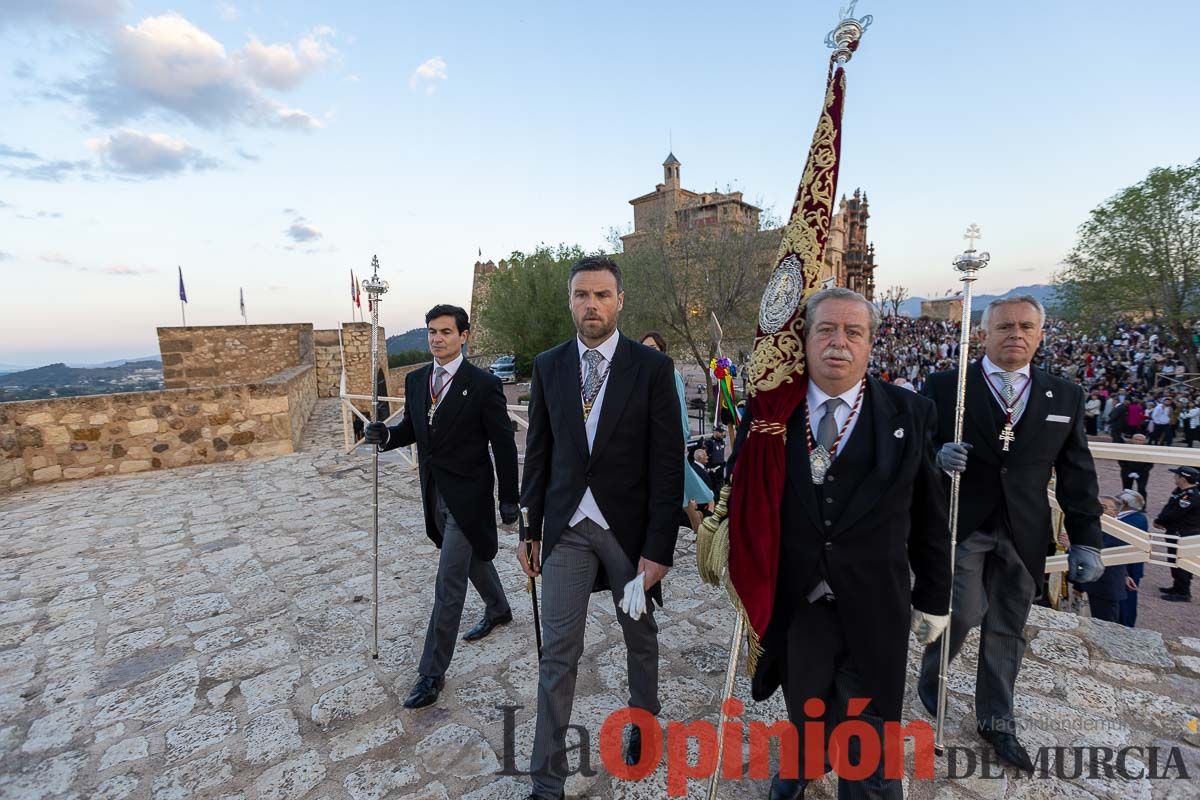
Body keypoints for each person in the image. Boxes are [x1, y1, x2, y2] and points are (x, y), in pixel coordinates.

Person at [731, 288, 950, 800]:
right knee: (806, 705)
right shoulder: (768, 415)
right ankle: (803, 762)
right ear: (804, 339)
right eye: (825, 329)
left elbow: (929, 516)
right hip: (799, 603)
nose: (839, 343)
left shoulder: (909, 413)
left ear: (871, 344)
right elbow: (742, 494)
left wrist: (935, 597)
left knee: (869, 744)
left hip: (877, 604)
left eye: (854, 332)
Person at [519, 257, 683, 800]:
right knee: (558, 651)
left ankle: (644, 719)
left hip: (628, 533)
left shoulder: (652, 369)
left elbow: (666, 464)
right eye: (582, 295)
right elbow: (538, 452)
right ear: (570, 300)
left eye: (602, 295)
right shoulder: (549, 366)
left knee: (639, 635)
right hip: (566, 525)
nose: (592, 304)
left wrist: (660, 546)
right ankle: (547, 779)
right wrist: (528, 526)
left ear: (619, 301)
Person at [919, 296, 1104, 772]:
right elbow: (914, 450)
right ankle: (933, 671)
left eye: (1026, 326)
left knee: (1008, 625)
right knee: (962, 609)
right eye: (1004, 326)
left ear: (1040, 334)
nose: (1015, 334)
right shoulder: (946, 386)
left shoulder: (1065, 396)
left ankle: (997, 717)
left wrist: (1086, 537)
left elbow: (1076, 471)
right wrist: (937, 457)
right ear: (984, 332)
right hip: (964, 523)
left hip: (1025, 530)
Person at [363, 304, 519, 709]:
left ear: (463, 336)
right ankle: (499, 608)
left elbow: (503, 445)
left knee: (447, 584)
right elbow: (414, 431)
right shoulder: (417, 381)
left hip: (469, 499)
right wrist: (385, 436)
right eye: (432, 331)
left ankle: (431, 673)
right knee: (469, 563)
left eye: (446, 332)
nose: (437, 338)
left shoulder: (482, 384)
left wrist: (509, 499)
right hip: (434, 496)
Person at [641, 330, 714, 532]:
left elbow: (680, 409)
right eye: (645, 349)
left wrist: (682, 439)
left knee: (678, 488)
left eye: (653, 348)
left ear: (662, 350)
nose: (649, 352)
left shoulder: (671, 374)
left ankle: (699, 528)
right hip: (647, 442)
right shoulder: (641, 377)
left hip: (667, 443)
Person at [1078, 496, 1128, 623]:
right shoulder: (1099, 526)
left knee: (1106, 625)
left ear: (1115, 512)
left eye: (1104, 507)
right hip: (1096, 584)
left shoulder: (1118, 531)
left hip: (1105, 587)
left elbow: (1106, 554)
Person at [1154, 465, 1200, 603]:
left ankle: (1183, 592)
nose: (1175, 477)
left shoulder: (1190, 496)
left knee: (1181, 562)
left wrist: (1161, 521)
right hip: (1178, 532)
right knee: (1174, 560)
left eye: (1177, 475)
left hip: (1184, 534)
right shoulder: (1181, 492)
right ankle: (1177, 586)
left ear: (1183, 478)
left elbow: (1176, 513)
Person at [1112, 489, 1148, 627]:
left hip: (1127, 569)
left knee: (1125, 603)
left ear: (1124, 503)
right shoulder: (1136, 517)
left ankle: (1124, 627)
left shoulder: (1130, 521)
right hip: (1128, 568)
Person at [1117, 433, 1153, 504]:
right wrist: (1128, 471)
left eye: (1140, 440)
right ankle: (1125, 504)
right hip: (1127, 471)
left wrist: (1139, 473)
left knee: (1141, 489)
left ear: (1144, 441)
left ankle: (1142, 505)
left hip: (1142, 473)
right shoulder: (1126, 449)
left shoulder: (1148, 450)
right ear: (1132, 440)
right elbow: (1121, 461)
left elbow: (1150, 464)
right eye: (1136, 439)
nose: (1138, 442)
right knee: (1126, 489)